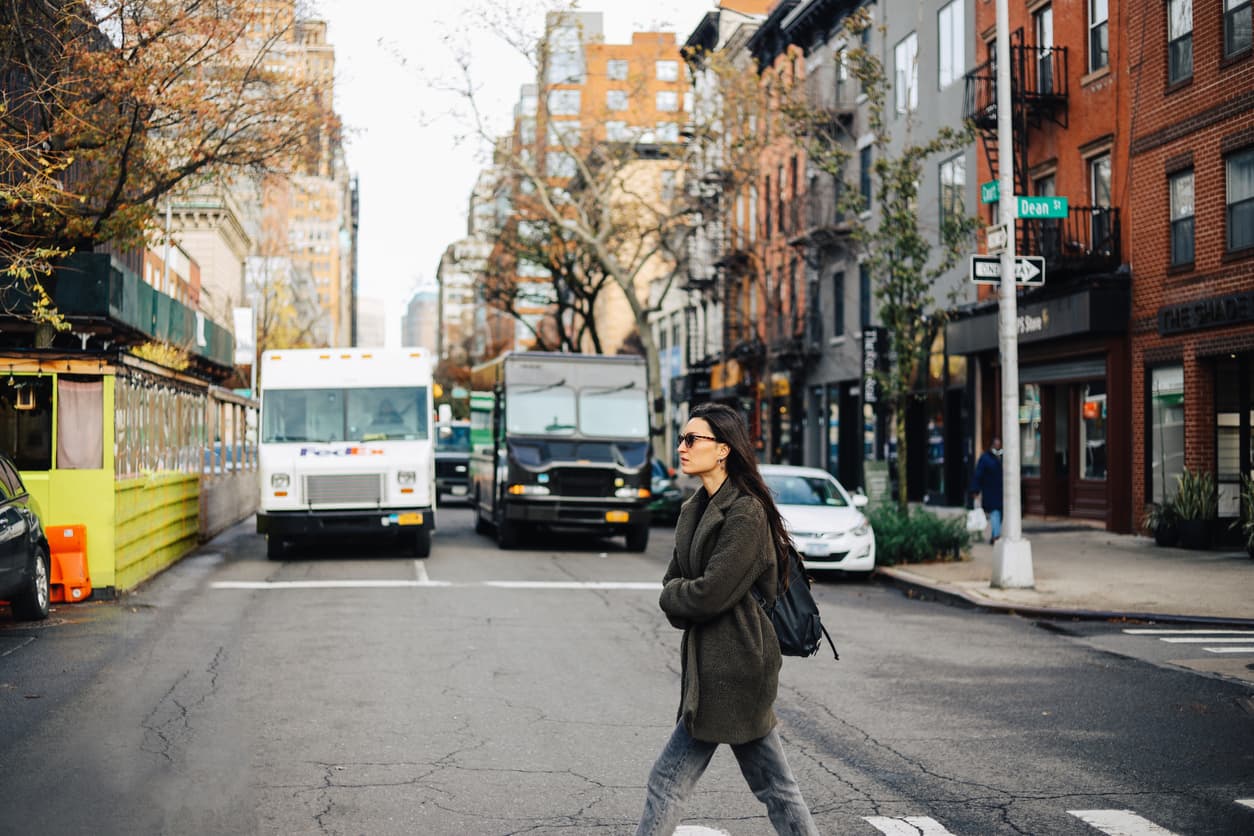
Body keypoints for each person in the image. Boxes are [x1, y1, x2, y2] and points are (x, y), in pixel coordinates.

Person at [636, 402, 819, 836]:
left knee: (667, 781)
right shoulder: (692, 511)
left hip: (736, 668)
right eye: (682, 439)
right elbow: (675, 584)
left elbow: (708, 593)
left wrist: (682, 595)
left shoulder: (746, 513)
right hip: (711, 666)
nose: (681, 448)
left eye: (691, 439)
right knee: (776, 787)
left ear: (722, 450)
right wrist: (683, 595)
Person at [971, 436, 1004, 545]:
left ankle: (995, 535)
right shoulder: (985, 458)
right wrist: (975, 491)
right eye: (996, 445)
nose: (998, 447)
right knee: (995, 512)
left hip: (1001, 492)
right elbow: (978, 475)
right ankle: (996, 536)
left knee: (999, 514)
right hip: (990, 491)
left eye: (999, 445)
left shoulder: (1002, 456)